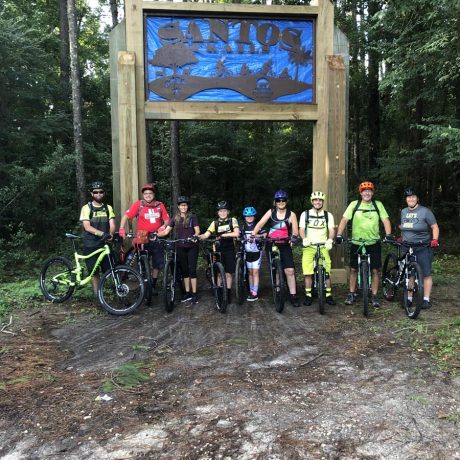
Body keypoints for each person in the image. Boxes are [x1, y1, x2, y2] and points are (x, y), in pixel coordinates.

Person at [336, 181, 393, 308]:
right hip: (357, 242)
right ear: (361, 193)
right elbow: (344, 219)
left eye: (369, 191)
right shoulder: (354, 204)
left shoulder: (378, 205)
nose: (367, 193)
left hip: (373, 242)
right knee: (353, 269)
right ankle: (351, 293)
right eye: (364, 191)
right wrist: (339, 234)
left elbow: (385, 220)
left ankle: (374, 296)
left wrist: (388, 234)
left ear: (372, 193)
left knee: (375, 270)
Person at [118, 183, 170, 294]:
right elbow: (126, 216)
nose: (148, 195)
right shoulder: (139, 205)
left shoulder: (160, 205)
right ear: (143, 195)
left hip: (156, 235)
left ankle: (154, 284)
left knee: (158, 262)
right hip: (142, 235)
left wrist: (164, 226)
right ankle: (145, 284)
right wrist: (122, 228)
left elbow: (166, 220)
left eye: (150, 193)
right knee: (142, 261)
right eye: (146, 193)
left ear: (154, 194)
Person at [252, 190, 300, 307]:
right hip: (271, 242)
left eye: (283, 200)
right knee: (275, 269)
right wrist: (253, 234)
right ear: (275, 202)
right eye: (278, 200)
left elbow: (295, 231)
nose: (281, 202)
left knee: (290, 270)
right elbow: (260, 223)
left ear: (286, 201)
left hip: (284, 243)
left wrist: (293, 237)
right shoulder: (271, 212)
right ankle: (278, 291)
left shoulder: (291, 214)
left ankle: (293, 295)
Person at [400, 187, 439, 309]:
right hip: (407, 246)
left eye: (413, 197)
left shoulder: (425, 211)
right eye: (408, 197)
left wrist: (434, 239)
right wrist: (401, 237)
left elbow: (434, 226)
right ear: (406, 199)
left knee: (426, 273)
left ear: (417, 199)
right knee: (410, 273)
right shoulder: (404, 212)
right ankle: (409, 298)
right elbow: (404, 227)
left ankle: (426, 299)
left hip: (422, 246)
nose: (411, 199)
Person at [158, 196, 200, 304]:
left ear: (187, 206)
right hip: (180, 247)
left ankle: (194, 293)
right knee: (185, 271)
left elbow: (197, 230)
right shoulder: (175, 218)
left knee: (192, 270)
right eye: (181, 205)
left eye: (185, 205)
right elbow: (167, 231)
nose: (183, 207)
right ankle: (187, 293)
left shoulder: (192, 216)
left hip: (192, 246)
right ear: (178, 206)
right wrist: (156, 235)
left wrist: (195, 236)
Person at [199, 201, 240, 304]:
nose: (223, 213)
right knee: (218, 274)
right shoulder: (215, 223)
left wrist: (223, 235)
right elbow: (206, 234)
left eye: (224, 211)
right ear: (218, 213)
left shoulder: (232, 220)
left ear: (228, 211)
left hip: (230, 248)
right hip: (218, 249)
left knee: (228, 273)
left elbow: (236, 233)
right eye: (220, 211)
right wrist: (199, 237)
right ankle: (219, 292)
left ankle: (229, 293)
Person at [299, 191, 336, 306]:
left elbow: (331, 229)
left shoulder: (328, 215)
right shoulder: (305, 214)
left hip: (323, 245)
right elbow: (301, 229)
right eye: (315, 200)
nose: (317, 202)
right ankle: (308, 295)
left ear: (323, 202)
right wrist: (304, 238)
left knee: (327, 272)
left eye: (320, 200)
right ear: (312, 201)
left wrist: (330, 239)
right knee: (308, 272)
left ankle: (328, 295)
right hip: (309, 245)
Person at [79, 181, 116, 293]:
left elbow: (112, 224)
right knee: (94, 271)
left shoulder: (108, 207)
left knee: (110, 269)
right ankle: (98, 295)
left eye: (101, 192)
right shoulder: (86, 208)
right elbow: (87, 227)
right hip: (90, 244)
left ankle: (116, 292)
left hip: (104, 244)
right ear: (92, 194)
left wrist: (110, 234)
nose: (98, 194)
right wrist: (102, 234)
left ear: (104, 193)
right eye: (96, 192)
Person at [241, 206, 266, 301]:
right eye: (247, 216)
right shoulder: (242, 226)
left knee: (255, 272)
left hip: (256, 251)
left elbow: (264, 234)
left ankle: (255, 292)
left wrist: (256, 235)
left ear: (254, 217)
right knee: (250, 272)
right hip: (247, 252)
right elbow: (238, 235)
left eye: (251, 216)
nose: (249, 217)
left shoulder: (257, 225)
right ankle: (251, 290)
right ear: (244, 217)